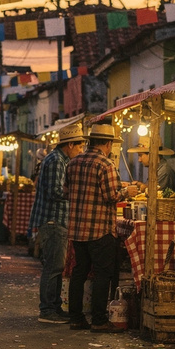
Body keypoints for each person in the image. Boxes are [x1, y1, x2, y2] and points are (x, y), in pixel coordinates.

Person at [65, 124, 131, 333]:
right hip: (100, 229)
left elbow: (66, 191)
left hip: (77, 228)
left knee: (79, 272)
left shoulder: (73, 163)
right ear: (108, 143)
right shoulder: (106, 164)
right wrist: (128, 191)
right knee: (103, 273)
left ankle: (76, 318)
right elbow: (111, 196)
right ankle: (99, 320)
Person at [29, 124, 86, 325]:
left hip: (59, 220)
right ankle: (47, 309)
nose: (81, 151)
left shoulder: (61, 160)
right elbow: (56, 191)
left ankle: (55, 306)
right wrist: (79, 192)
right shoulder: (55, 161)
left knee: (57, 266)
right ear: (70, 144)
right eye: (79, 147)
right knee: (53, 266)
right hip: (53, 220)